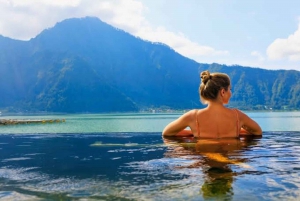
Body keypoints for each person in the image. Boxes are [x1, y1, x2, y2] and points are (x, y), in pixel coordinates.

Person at [162, 70, 262, 137]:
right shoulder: (237, 116)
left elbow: (166, 133)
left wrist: (192, 132)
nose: (231, 93)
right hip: (231, 159)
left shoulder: (193, 116)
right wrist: (237, 131)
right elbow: (257, 132)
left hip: (205, 160)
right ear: (223, 92)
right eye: (230, 89)